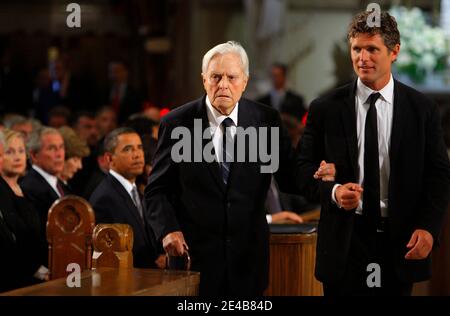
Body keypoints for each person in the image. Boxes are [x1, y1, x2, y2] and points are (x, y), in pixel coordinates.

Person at [297, 11, 450, 296]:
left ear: (394, 52)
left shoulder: (422, 110)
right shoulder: (325, 108)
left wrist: (428, 227)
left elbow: (439, 176)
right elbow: (302, 170)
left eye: (372, 49)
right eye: (356, 49)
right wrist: (334, 191)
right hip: (345, 241)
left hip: (398, 241)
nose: (362, 57)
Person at [145, 41, 302, 296]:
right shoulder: (177, 123)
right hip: (193, 263)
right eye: (216, 77)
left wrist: (325, 177)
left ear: (245, 81)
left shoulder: (266, 120)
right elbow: (157, 190)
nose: (223, 85)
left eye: (231, 77)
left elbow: (290, 178)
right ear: (204, 79)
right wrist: (167, 230)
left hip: (247, 264)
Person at [90, 128, 163, 269]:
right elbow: (108, 255)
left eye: (139, 148)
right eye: (128, 149)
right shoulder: (105, 197)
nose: (137, 155)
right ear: (109, 159)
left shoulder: (138, 191)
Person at [0, 130, 48, 291]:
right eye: (9, 152)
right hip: (15, 280)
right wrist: (37, 269)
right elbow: (8, 242)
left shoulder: (24, 190)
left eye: (21, 151)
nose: (18, 157)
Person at [20, 127, 67, 255]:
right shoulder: (29, 187)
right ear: (34, 155)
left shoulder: (61, 184)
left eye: (61, 147)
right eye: (52, 149)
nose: (59, 154)